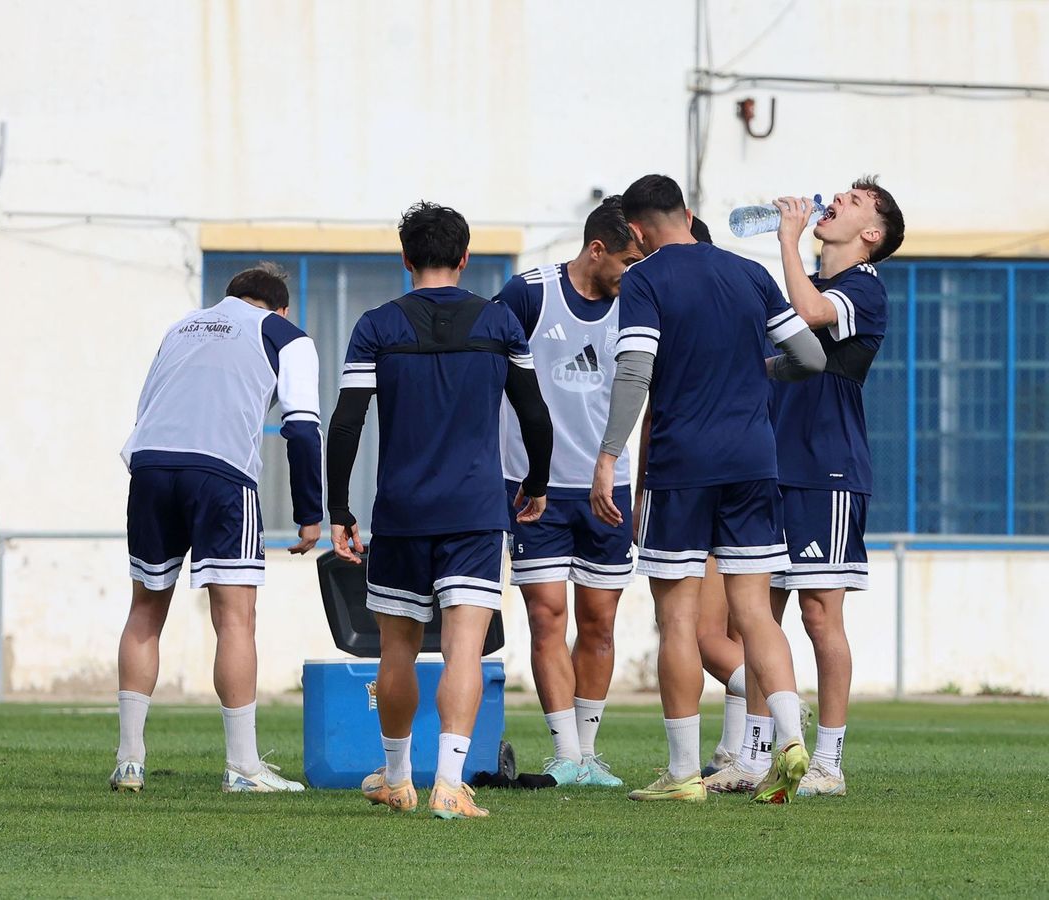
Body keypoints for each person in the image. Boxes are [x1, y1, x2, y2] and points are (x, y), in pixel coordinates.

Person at [592, 174, 825, 803]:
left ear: (635, 232)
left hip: (682, 467)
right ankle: (790, 743)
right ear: (688, 214)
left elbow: (636, 369)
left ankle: (682, 774)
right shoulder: (747, 273)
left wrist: (609, 455)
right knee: (755, 614)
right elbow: (811, 358)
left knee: (678, 619)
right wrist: (756, 371)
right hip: (754, 462)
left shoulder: (644, 279)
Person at [328, 201, 554, 819]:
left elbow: (346, 423)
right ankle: (450, 786)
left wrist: (338, 508)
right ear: (464, 258)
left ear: (405, 259)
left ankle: (397, 778)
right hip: (477, 511)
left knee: (396, 652)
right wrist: (537, 480)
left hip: (401, 511)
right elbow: (535, 415)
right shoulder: (500, 322)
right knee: (463, 649)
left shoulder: (377, 325)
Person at [112, 262, 323, 794]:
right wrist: (310, 511)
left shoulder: (182, 326)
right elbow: (301, 427)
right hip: (221, 475)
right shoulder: (286, 335)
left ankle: (130, 760)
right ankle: (243, 767)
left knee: (145, 609)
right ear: (280, 307)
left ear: (230, 297)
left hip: (152, 466)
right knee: (234, 620)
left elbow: (147, 406)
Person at [494, 197, 642, 789]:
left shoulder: (638, 303)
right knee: (547, 615)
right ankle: (566, 754)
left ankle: (590, 752)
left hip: (610, 485)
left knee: (599, 620)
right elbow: (488, 380)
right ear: (597, 249)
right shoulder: (528, 295)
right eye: (629, 260)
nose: (637, 271)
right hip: (536, 488)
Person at [766, 178, 904, 798]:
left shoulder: (862, 292)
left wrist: (788, 243)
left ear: (870, 236)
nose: (835, 202)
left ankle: (828, 762)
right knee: (756, 613)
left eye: (853, 202)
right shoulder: (806, 284)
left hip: (827, 470)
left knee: (821, 615)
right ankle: (754, 753)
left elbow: (813, 315)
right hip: (769, 466)